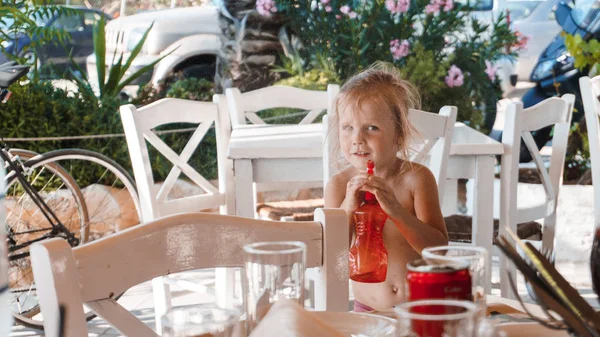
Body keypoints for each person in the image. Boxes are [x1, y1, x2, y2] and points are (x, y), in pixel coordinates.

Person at [324, 63, 449, 312]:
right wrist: (349, 205)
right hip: (367, 310)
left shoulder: (416, 179)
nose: (357, 138)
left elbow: (438, 250)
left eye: (371, 127)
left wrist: (396, 211)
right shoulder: (338, 186)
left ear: (399, 134)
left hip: (421, 307)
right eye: (348, 128)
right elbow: (331, 253)